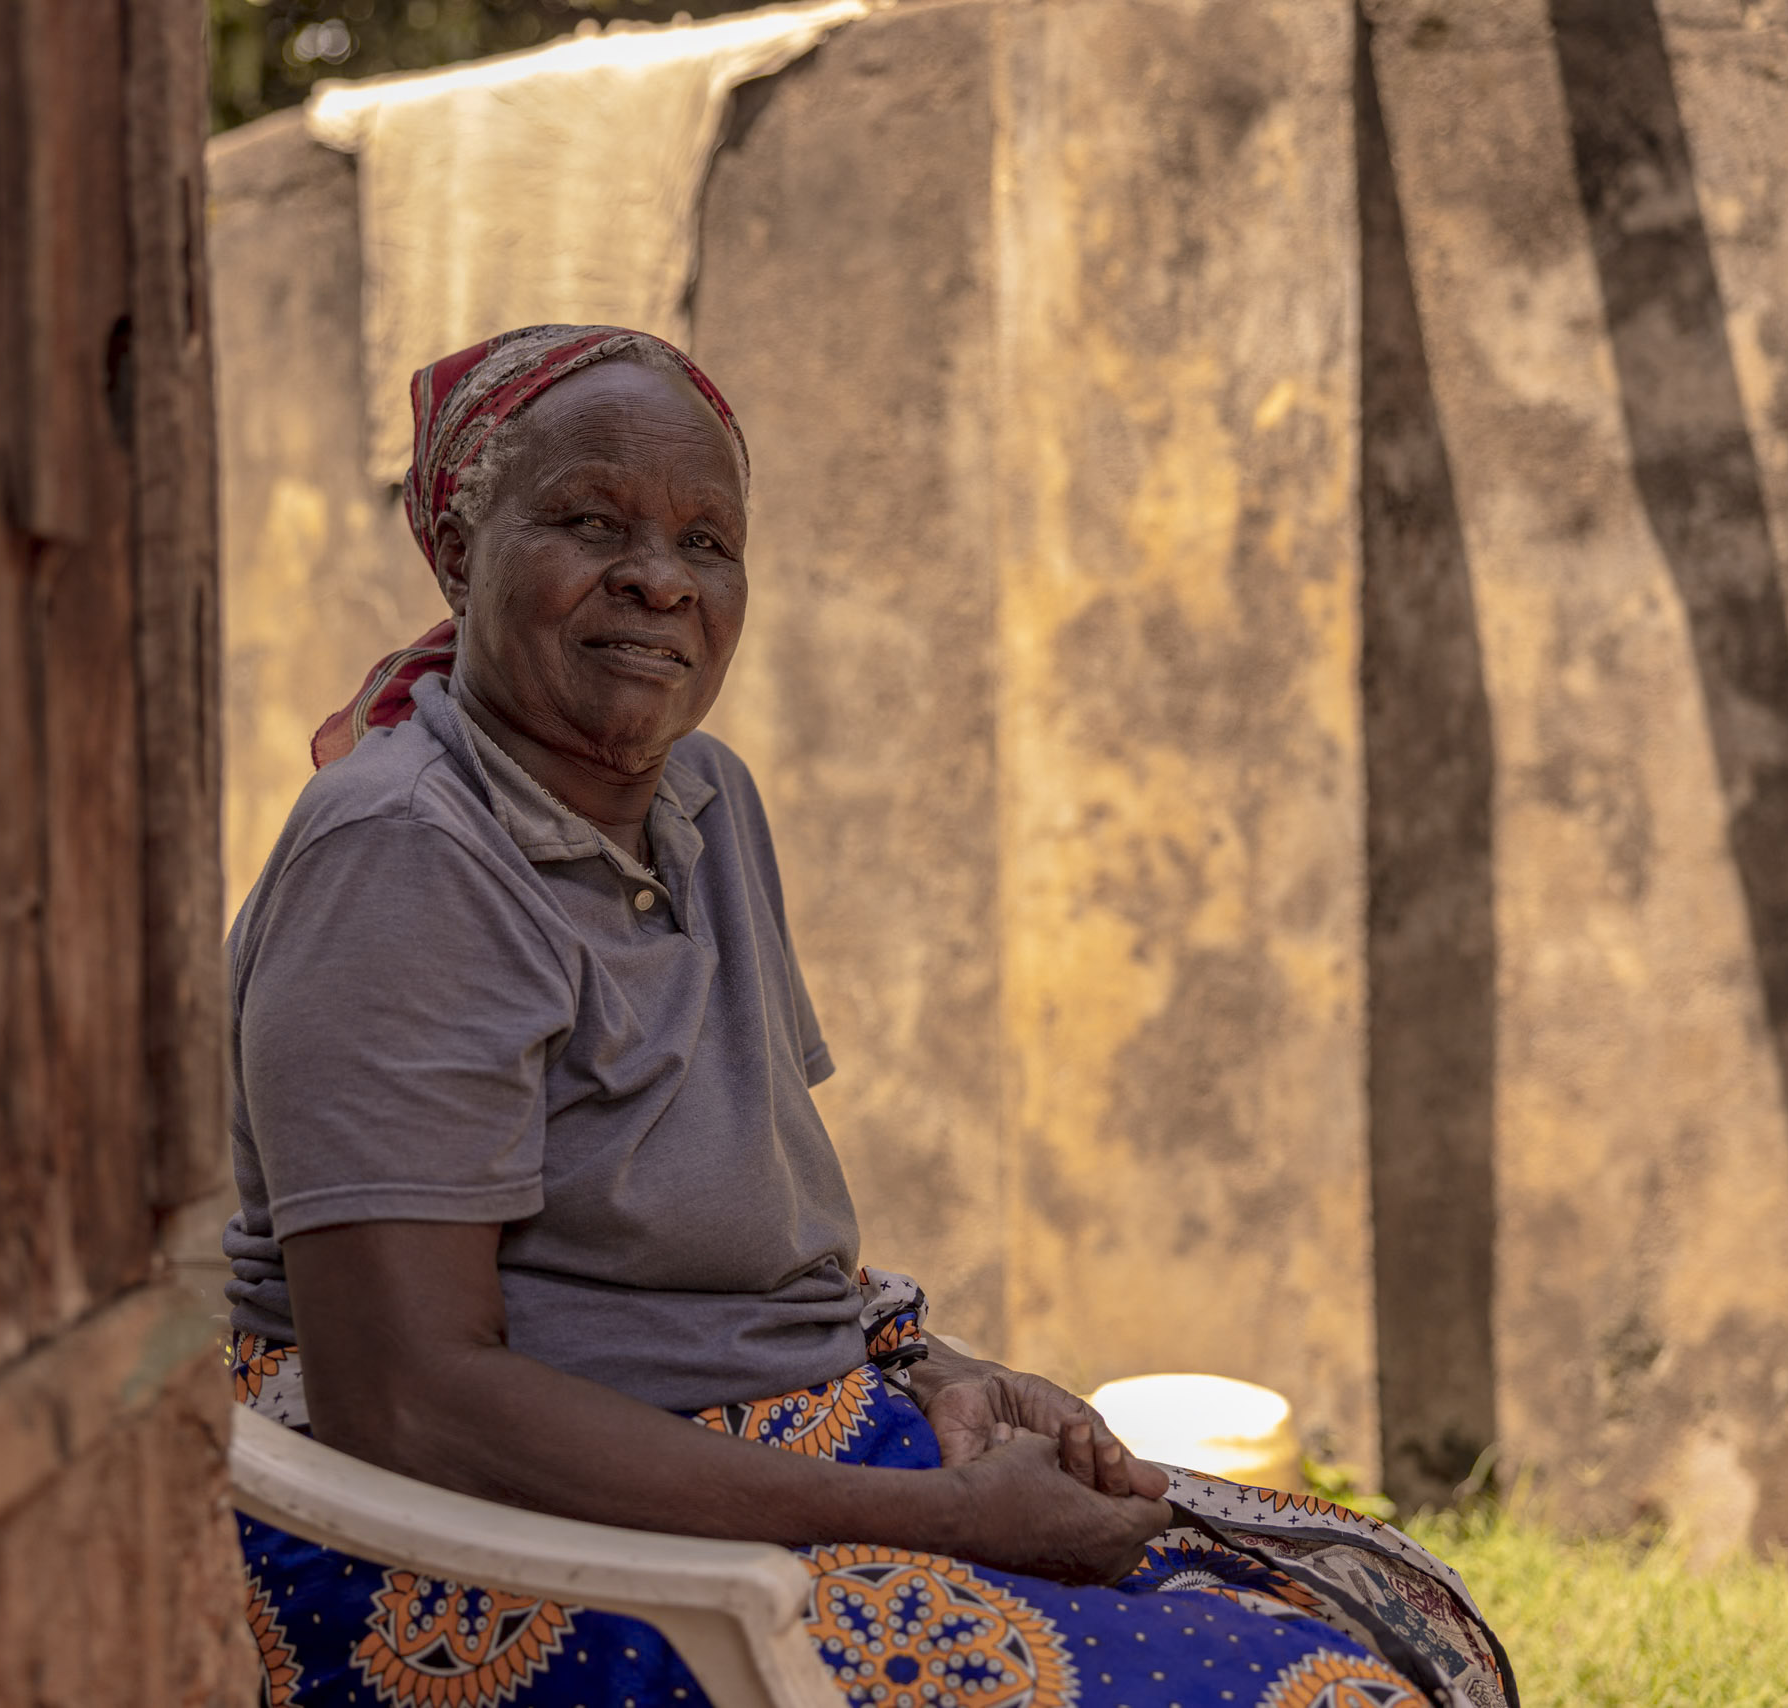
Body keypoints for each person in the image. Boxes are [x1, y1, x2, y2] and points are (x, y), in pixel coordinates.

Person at [223, 325, 1513, 1708]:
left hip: (765, 1452)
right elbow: (409, 1405)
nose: (658, 580)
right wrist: (943, 1522)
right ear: (460, 552)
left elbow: (735, 1239)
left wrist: (935, 1370)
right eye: (590, 522)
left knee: (1379, 1606)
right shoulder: (408, 854)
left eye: (706, 541)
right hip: (490, 1546)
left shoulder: (703, 804)